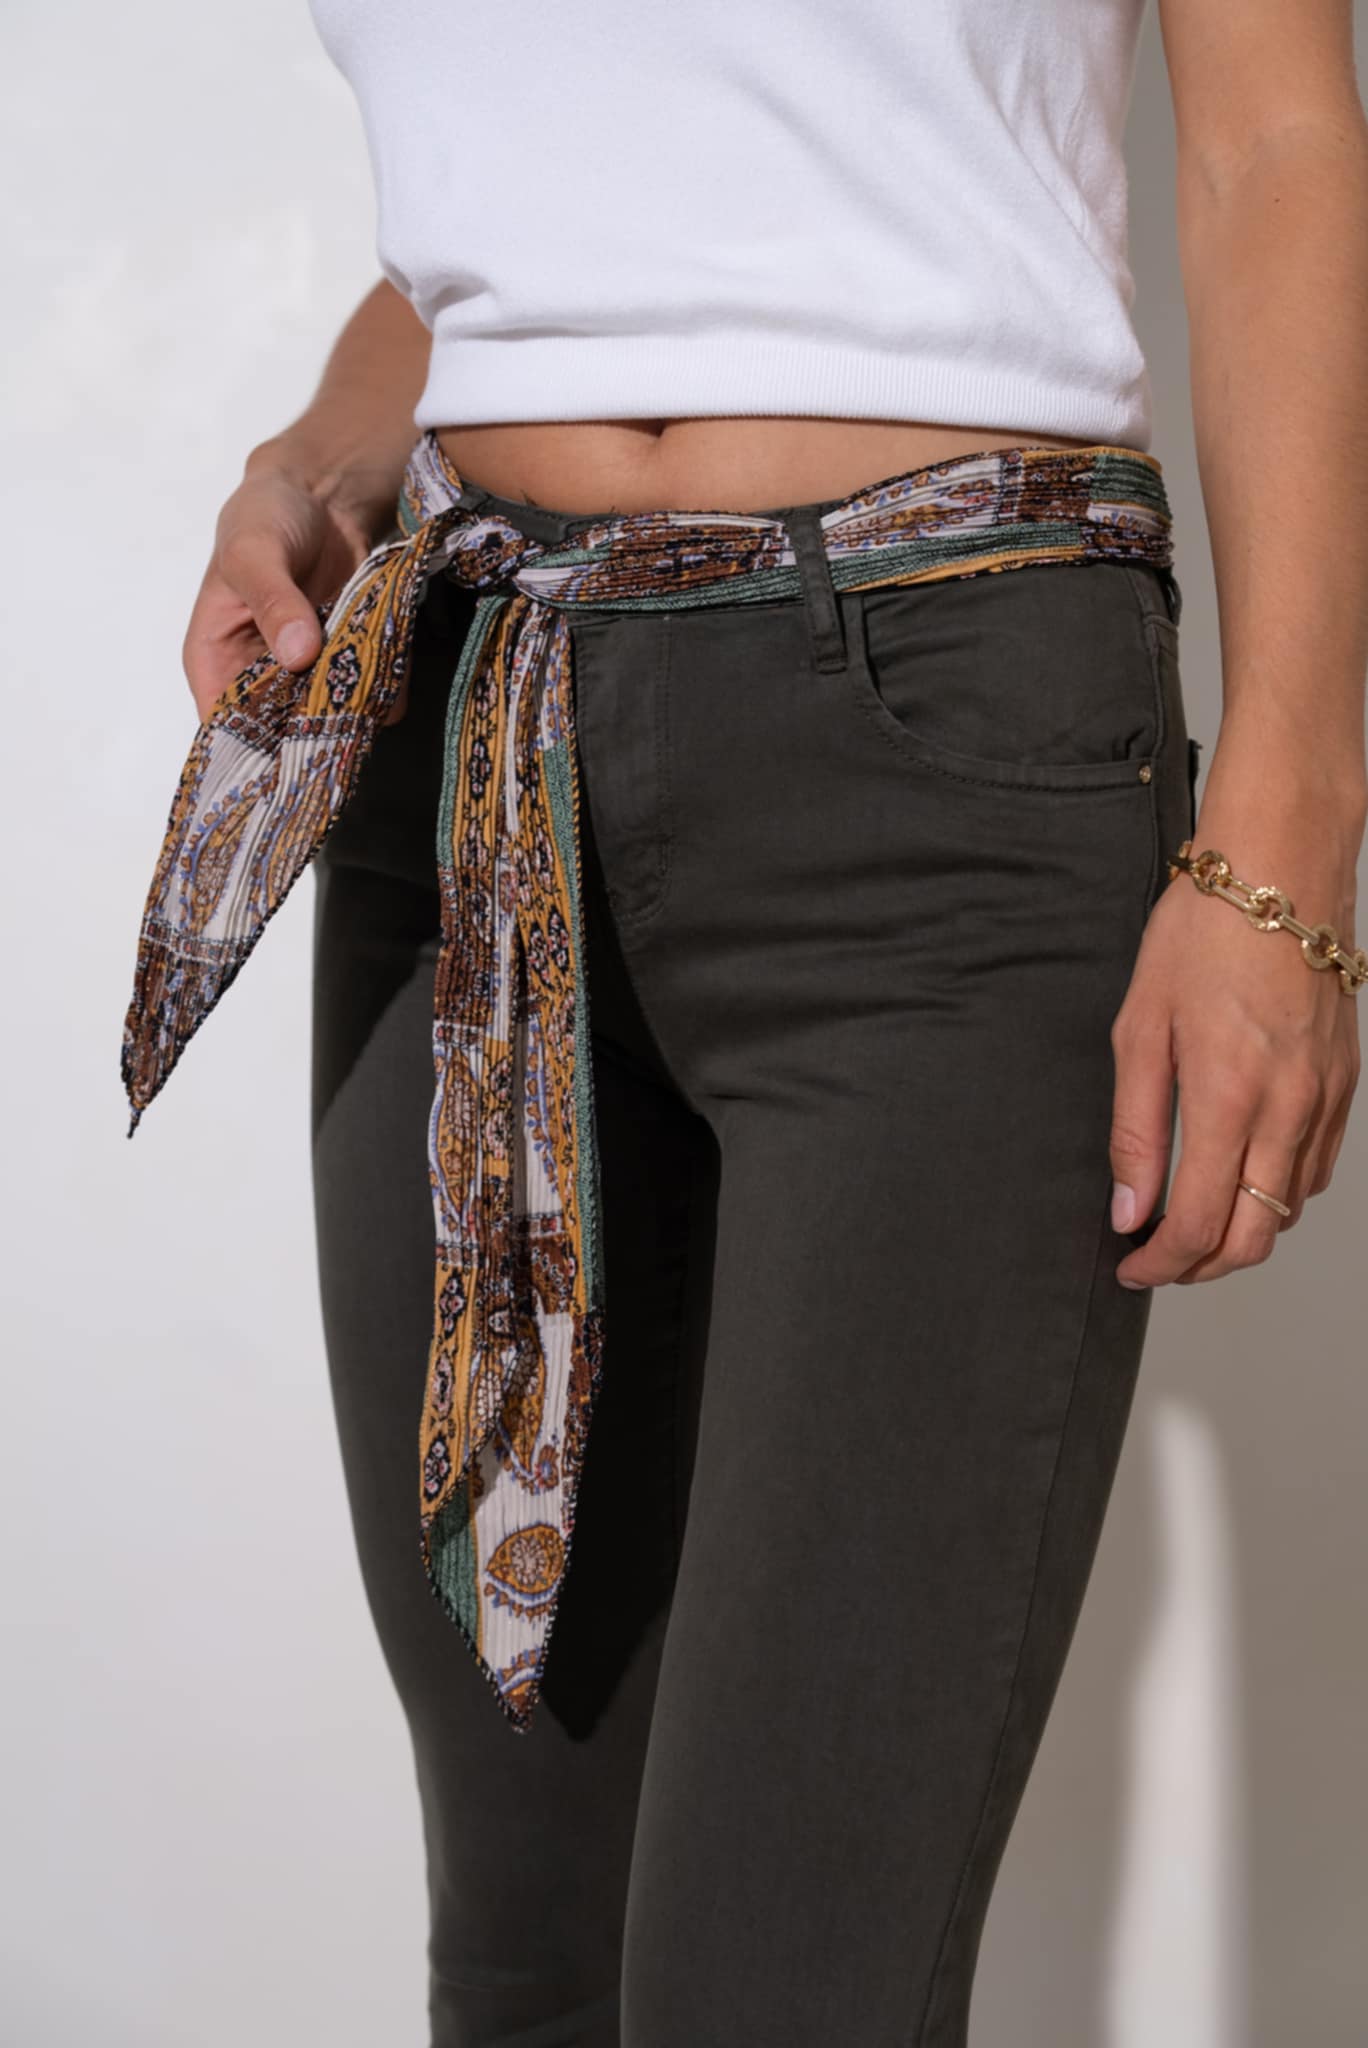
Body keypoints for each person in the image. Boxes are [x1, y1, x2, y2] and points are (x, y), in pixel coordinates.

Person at [142, 2, 1366, 2042]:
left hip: (943, 772)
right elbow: (527, 207)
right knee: (530, 1958)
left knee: (785, 1988)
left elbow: (1272, 141)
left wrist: (1289, 850)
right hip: (475, 757)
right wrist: (313, 465)